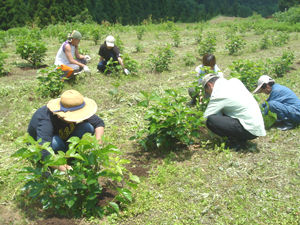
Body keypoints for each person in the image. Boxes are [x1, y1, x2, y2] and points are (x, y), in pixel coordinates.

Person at [27, 90, 105, 171]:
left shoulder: (73, 105)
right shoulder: (45, 120)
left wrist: (98, 145)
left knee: (88, 127)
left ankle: (69, 153)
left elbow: (98, 123)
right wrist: (64, 169)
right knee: (55, 142)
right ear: (60, 115)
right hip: (48, 143)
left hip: (65, 137)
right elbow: (43, 150)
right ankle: (62, 158)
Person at [202, 73, 266, 147]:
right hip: (257, 127)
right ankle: (240, 138)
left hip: (249, 130)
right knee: (222, 112)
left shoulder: (218, 93)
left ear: (210, 85)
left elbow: (205, 117)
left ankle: (236, 142)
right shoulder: (235, 81)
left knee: (211, 120)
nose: (210, 95)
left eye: (208, 92)